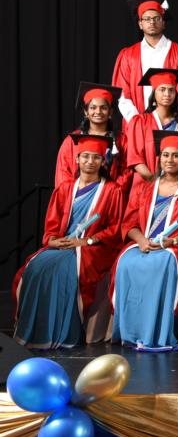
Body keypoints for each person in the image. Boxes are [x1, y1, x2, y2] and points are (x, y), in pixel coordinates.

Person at [13, 135, 125, 349]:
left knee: (65, 268)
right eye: (85, 156)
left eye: (96, 157)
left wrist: (87, 241)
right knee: (35, 266)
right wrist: (53, 241)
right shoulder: (64, 189)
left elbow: (115, 229)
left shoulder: (113, 190)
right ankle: (36, 330)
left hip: (95, 247)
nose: (90, 161)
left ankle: (63, 332)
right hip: (64, 244)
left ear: (103, 161)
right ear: (77, 159)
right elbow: (52, 225)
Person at [110, 131, 178, 351]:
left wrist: (172, 241)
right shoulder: (145, 189)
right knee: (125, 261)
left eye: (176, 155)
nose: (170, 160)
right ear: (159, 158)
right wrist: (141, 241)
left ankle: (157, 331)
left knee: (162, 262)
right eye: (166, 155)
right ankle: (131, 331)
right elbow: (129, 223)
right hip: (146, 242)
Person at [111, 0, 178, 121]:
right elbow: (122, 92)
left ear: (163, 23)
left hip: (170, 122)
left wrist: (166, 119)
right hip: (136, 122)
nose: (152, 22)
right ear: (140, 24)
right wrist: (137, 121)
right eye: (147, 19)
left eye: (157, 18)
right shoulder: (128, 55)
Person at [124, 68, 178, 184]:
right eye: (162, 89)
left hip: (177, 186)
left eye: (171, 90)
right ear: (154, 93)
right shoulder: (140, 122)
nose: (167, 94)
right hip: (146, 185)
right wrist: (156, 183)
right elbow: (135, 159)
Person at [55, 83, 129, 190]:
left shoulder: (121, 140)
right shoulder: (72, 141)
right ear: (86, 112)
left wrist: (111, 191)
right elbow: (63, 172)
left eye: (103, 108)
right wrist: (76, 193)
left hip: (111, 195)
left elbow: (127, 171)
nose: (98, 112)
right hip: (77, 195)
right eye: (93, 108)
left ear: (110, 112)